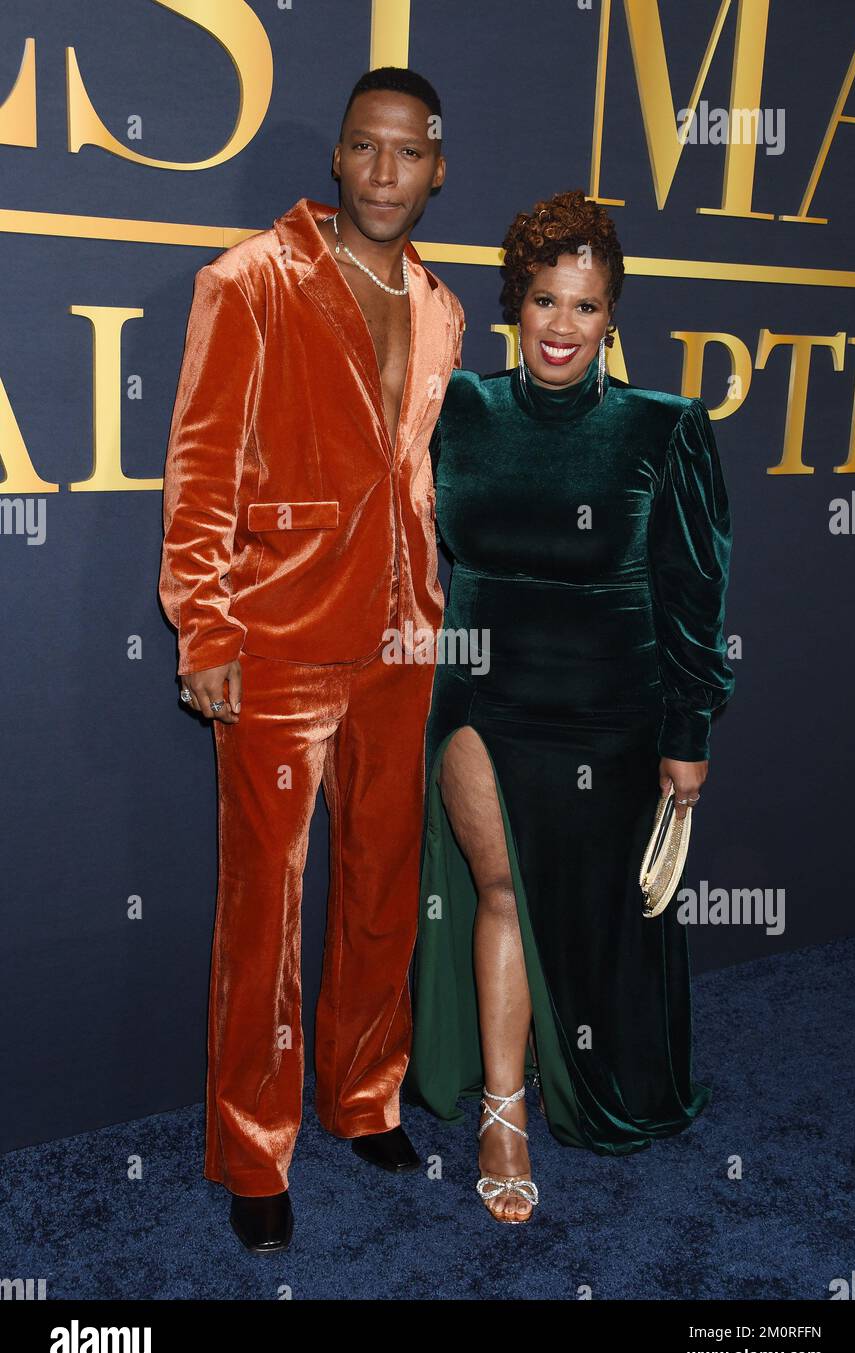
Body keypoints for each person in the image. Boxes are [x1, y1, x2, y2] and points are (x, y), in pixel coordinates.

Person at [158, 67, 464, 1252]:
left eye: (409, 153)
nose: (385, 172)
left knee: (386, 885)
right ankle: (252, 1146)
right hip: (278, 642)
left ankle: (362, 1095)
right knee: (264, 914)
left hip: (403, 639)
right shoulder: (250, 280)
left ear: (438, 170)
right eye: (365, 149)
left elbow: (414, 470)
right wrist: (207, 627)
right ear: (337, 160)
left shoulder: (440, 307)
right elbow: (199, 468)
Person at [406, 189, 735, 1223]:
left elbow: (693, 590)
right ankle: (502, 1110)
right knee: (500, 886)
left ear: (611, 316)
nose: (560, 325)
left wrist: (687, 733)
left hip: (614, 708)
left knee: (590, 913)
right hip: (483, 697)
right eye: (544, 299)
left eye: (584, 307)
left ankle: (576, 1064)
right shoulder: (456, 407)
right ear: (515, 304)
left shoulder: (662, 426)